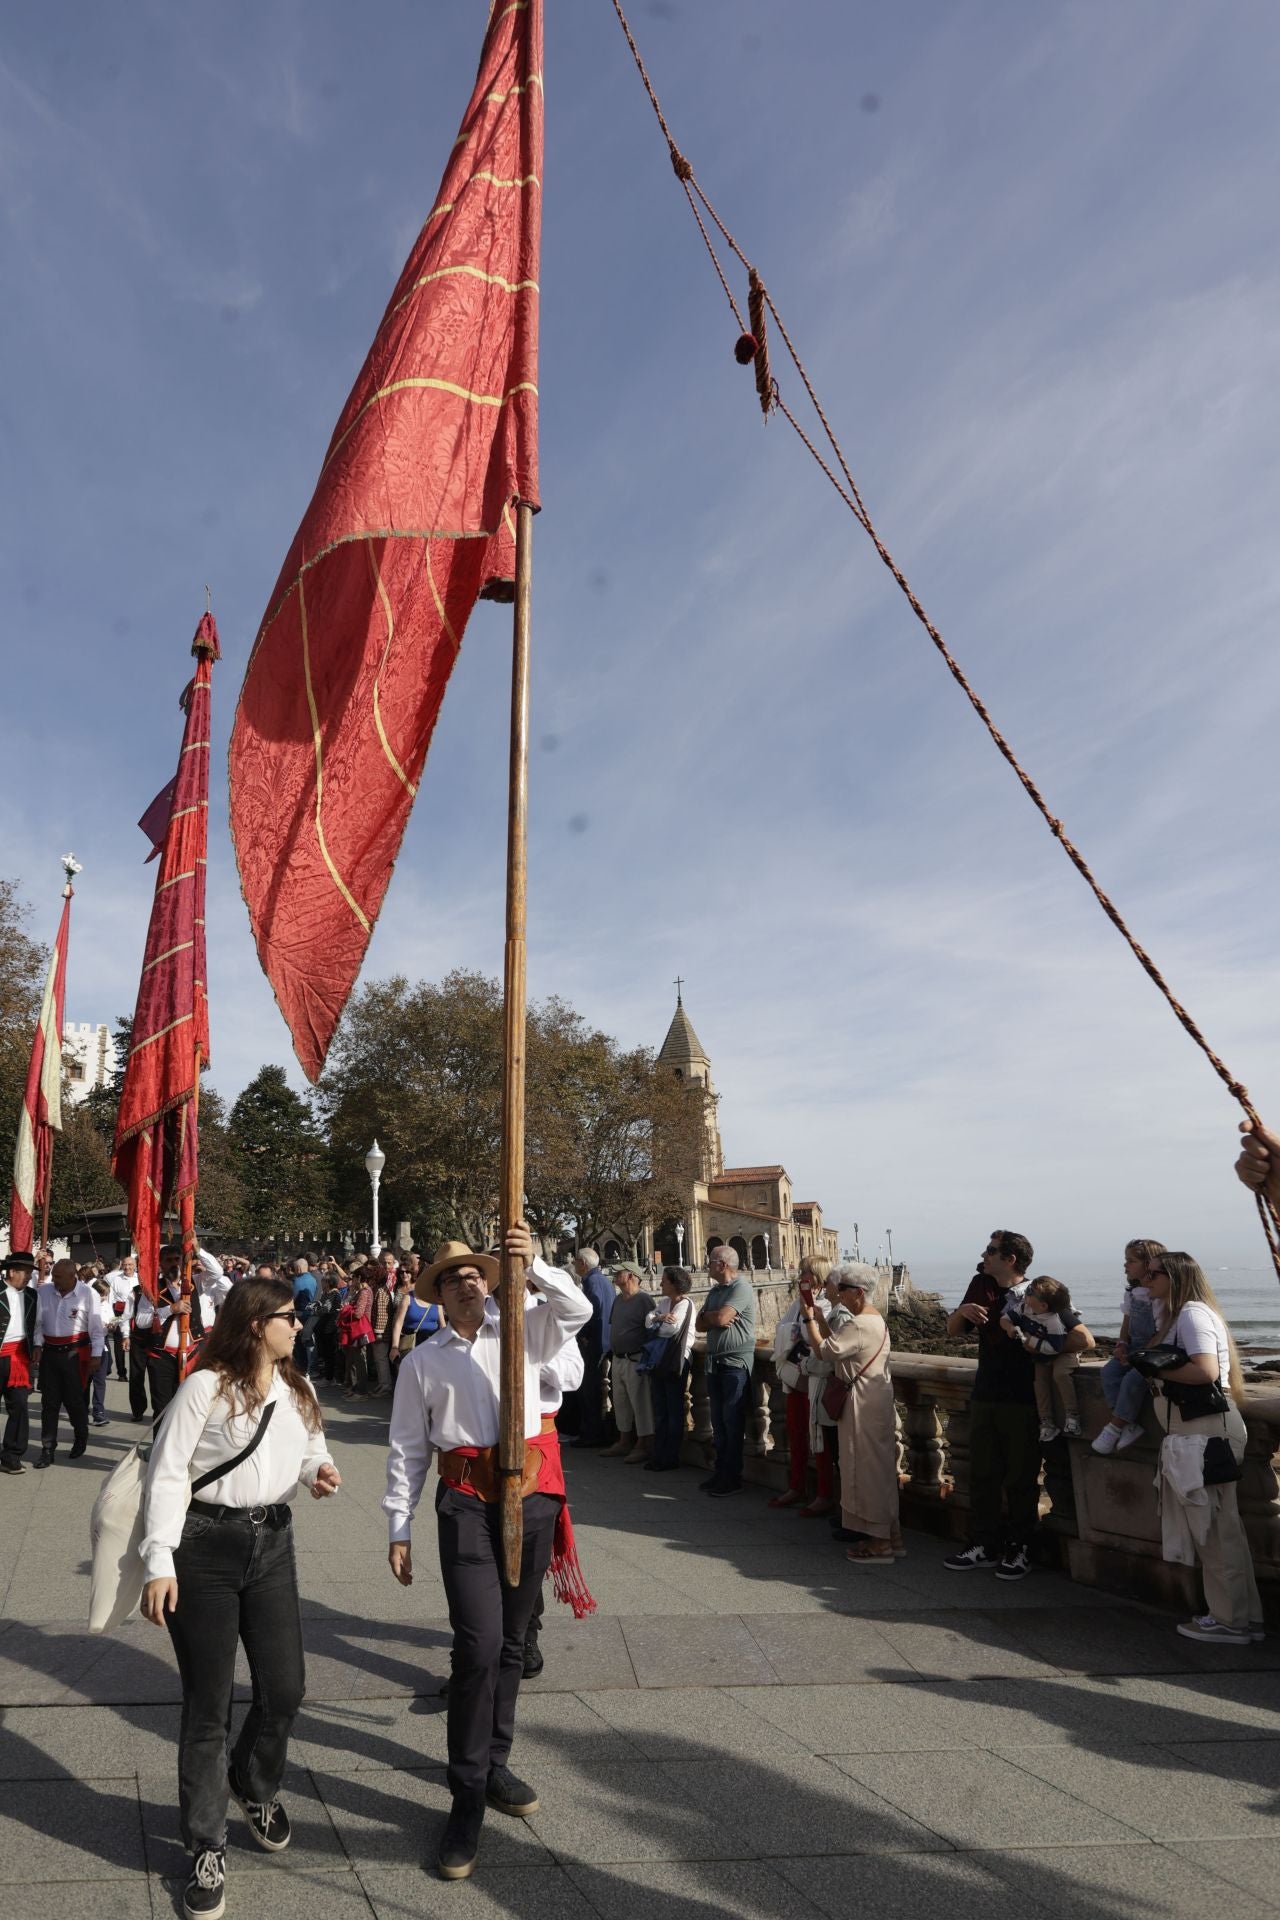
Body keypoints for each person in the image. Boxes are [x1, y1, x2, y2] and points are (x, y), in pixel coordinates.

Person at [383, 1225, 590, 1881]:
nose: (468, 1282)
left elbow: (578, 1312)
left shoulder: (526, 1327)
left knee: (509, 1645)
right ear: (438, 1296)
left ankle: (495, 1762)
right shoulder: (423, 1361)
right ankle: (466, 1794)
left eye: (477, 1273)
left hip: (531, 1498)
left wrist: (533, 1265)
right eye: (453, 1278)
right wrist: (398, 1525)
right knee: (475, 1646)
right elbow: (408, 1449)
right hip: (466, 1503)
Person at [140, 1276, 341, 1919]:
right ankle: (206, 1842)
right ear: (256, 1322)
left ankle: (253, 1784)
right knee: (209, 1703)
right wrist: (158, 1560)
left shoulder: (297, 1386)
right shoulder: (204, 1386)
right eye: (289, 1316)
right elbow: (168, 1472)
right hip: (204, 1548)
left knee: (285, 1687)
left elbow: (310, 1446)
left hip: (273, 1545)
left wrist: (318, 1471)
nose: (299, 1326)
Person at [1135, 1251, 1263, 1646]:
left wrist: (1153, 1366)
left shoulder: (1191, 1314)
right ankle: (1244, 1618)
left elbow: (1206, 1371)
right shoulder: (1179, 1314)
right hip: (1198, 1433)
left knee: (1214, 1533)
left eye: (1154, 1274)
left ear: (1175, 1276)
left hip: (1203, 1434)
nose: (1146, 1281)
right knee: (1224, 1531)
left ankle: (1229, 1622)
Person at [943, 1230, 1087, 1579]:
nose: (984, 1254)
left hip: (1023, 1397)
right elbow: (952, 1331)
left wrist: (1039, 1346)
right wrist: (962, 1311)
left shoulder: (1040, 1292)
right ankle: (984, 1543)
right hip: (986, 1392)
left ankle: (1019, 1547)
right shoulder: (980, 1283)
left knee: (1022, 1477)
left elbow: (1081, 1337)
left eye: (991, 1250)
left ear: (1010, 1258)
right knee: (983, 1474)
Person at [800, 1268, 902, 1562]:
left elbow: (824, 1353)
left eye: (843, 1287)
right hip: (875, 1400)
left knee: (865, 1470)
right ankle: (890, 1536)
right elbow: (842, 1349)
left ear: (858, 1292)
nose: (838, 1292)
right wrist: (821, 1320)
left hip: (861, 1405)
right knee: (880, 1471)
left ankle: (879, 1544)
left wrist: (809, 1318)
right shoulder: (873, 1320)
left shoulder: (859, 1324)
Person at [769, 1257, 839, 1515]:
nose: (801, 1277)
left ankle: (824, 1494)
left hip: (817, 1377)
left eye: (806, 1273)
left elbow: (821, 1341)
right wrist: (798, 1330)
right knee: (795, 1431)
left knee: (818, 1438)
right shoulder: (799, 1304)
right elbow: (780, 1327)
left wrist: (801, 1328)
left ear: (818, 1277)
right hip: (796, 1375)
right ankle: (796, 1486)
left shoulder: (827, 1306)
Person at [695, 1244, 756, 1498]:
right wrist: (713, 1316)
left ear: (723, 1264)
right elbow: (700, 1323)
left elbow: (719, 1320)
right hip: (715, 1363)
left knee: (732, 1422)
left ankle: (732, 1477)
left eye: (710, 1261)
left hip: (735, 1365)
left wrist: (714, 1317)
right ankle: (720, 1472)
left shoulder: (741, 1288)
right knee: (718, 1423)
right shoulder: (716, 1290)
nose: (706, 1265)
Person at [1094, 1238, 1165, 1455]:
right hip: (1134, 1347)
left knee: (1133, 1379)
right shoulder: (1133, 1292)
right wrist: (1122, 1344)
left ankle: (1114, 1427)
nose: (1126, 1265)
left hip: (1154, 1350)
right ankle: (1129, 1423)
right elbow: (1127, 1321)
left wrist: (1140, 1357)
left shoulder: (1159, 1297)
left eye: (1131, 1261)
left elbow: (1161, 1332)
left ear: (1148, 1264)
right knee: (1109, 1373)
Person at [32, 1256, 103, 1466]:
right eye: (53, 1275)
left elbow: (97, 1328)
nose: (54, 1280)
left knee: (74, 1401)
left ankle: (81, 1436)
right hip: (50, 1354)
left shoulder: (88, 1294)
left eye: (59, 1277)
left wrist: (96, 1355)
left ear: (73, 1277)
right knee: (49, 1403)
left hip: (75, 1353)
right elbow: (37, 1323)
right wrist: (37, 1344)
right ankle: (47, 1449)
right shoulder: (44, 1292)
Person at [1002, 1276, 1087, 1443]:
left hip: (1062, 1351)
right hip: (1041, 1352)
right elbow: (1005, 1319)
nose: (1026, 1293)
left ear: (1043, 1305)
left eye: (1031, 1292)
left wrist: (1029, 1341)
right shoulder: (1025, 1306)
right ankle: (1046, 1422)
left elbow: (1056, 1347)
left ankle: (1072, 1415)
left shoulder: (1054, 1320)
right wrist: (1010, 1328)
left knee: (1060, 1375)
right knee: (1040, 1383)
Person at [150, 1244, 232, 1416]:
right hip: (162, 1356)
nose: (173, 1263)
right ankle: (161, 1442)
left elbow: (217, 1272)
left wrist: (197, 1248)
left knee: (190, 1403)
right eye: (168, 1260)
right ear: (161, 1264)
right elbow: (142, 1320)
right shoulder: (152, 1288)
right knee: (162, 1407)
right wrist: (171, 1309)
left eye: (176, 1259)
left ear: (182, 1261)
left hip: (192, 1352)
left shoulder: (196, 1281)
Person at [600, 1261, 655, 1464]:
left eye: (618, 1273)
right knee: (620, 1402)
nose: (614, 1276)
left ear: (631, 1276)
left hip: (635, 1358)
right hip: (619, 1358)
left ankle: (642, 1444)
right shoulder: (618, 1300)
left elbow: (651, 1330)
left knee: (640, 1403)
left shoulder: (644, 1300)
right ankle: (624, 1441)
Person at [643, 1267, 697, 1472]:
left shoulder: (686, 1304)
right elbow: (647, 1321)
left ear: (675, 1284)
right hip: (661, 1360)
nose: (660, 1284)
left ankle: (670, 1456)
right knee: (661, 1409)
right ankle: (660, 1454)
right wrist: (658, 1318)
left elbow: (670, 1329)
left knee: (673, 1410)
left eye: (664, 1281)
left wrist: (657, 1321)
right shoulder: (665, 1303)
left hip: (676, 1360)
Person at [570, 1248, 614, 1448]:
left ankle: (591, 1433)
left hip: (594, 1342)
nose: (573, 1264)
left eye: (576, 1261)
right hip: (605, 1340)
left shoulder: (592, 1282)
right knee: (594, 1388)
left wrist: (585, 1334)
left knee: (589, 1389)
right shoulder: (604, 1281)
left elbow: (592, 1310)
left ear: (583, 1263)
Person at [0, 1249, 39, 1474]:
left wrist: (37, 1345)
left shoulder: (33, 1296)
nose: (28, 1277)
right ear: (12, 1271)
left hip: (19, 1357)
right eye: (25, 1272)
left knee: (20, 1407)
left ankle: (11, 1456)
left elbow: (38, 1324)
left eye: (30, 1273)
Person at [339, 1265, 375, 1397]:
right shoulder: (362, 1291)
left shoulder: (364, 1292)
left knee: (359, 1360)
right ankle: (355, 1387)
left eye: (354, 1277)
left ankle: (361, 1391)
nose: (352, 1280)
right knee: (354, 1359)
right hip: (357, 1329)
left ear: (359, 1277)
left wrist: (346, 1308)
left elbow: (359, 1313)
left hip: (360, 1330)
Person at [104, 1255, 137, 1380]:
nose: (127, 1267)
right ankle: (121, 1372)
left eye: (130, 1265)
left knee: (135, 1345)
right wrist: (111, 1320)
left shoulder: (140, 1278)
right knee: (119, 1345)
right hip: (119, 1314)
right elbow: (110, 1301)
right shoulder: (116, 1280)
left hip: (136, 1315)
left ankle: (135, 1373)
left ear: (135, 1266)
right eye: (125, 1265)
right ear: (122, 1265)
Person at [89, 1278, 114, 1426]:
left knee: (100, 1380)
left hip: (103, 1342)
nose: (104, 1298)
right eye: (102, 1294)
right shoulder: (87, 1305)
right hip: (88, 1343)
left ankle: (98, 1412)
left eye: (106, 1295)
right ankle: (81, 1408)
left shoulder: (106, 1305)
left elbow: (110, 1319)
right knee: (85, 1381)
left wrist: (111, 1325)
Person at [368, 1263, 395, 1396]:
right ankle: (382, 1383)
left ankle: (385, 1385)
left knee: (381, 1359)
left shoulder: (381, 1291)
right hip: (381, 1331)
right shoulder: (380, 1289)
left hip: (381, 1333)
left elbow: (382, 1313)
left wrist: (378, 1333)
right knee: (379, 1359)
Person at [291, 1257, 319, 1379]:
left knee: (300, 1343)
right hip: (311, 1313)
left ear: (298, 1268)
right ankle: (311, 1368)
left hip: (300, 1314)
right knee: (309, 1342)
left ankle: (303, 1367)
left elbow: (292, 1299)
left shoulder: (297, 1281)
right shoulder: (313, 1279)